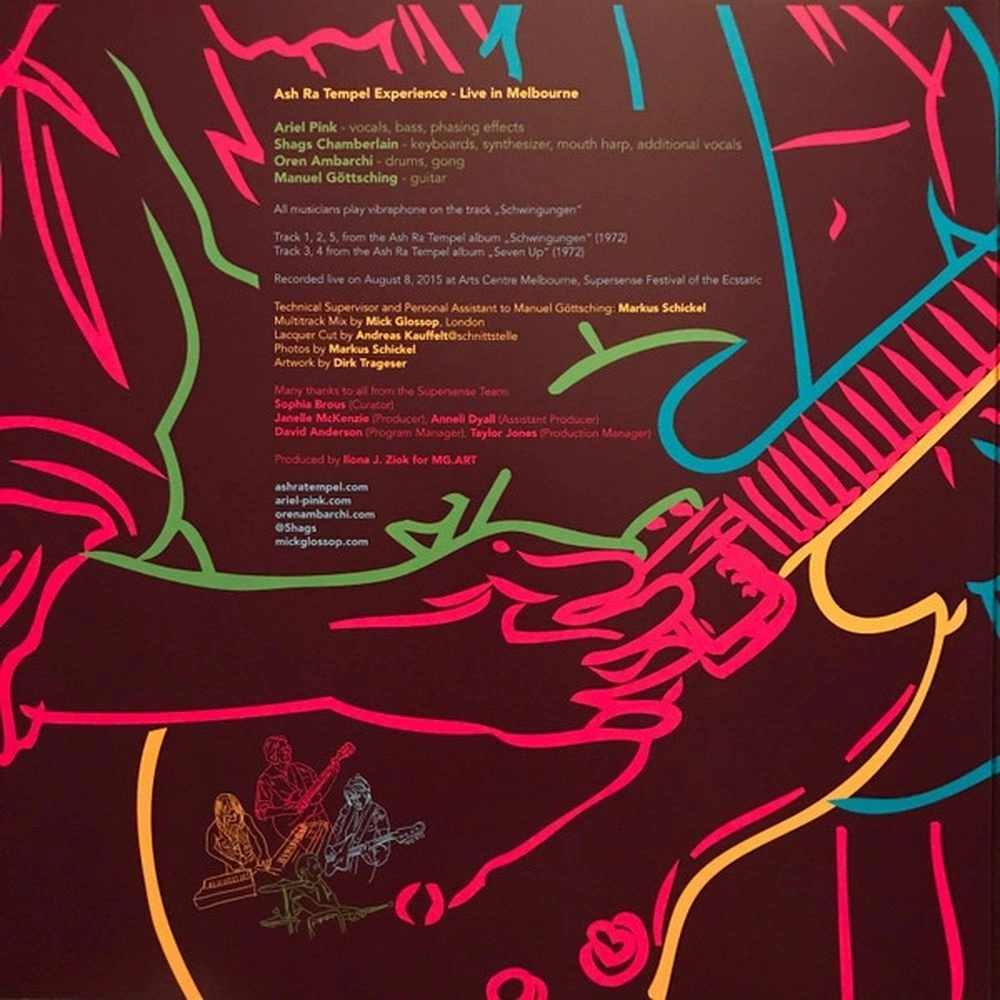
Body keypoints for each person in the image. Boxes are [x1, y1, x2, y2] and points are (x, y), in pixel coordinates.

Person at [325, 774, 391, 879]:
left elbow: (384, 848)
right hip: (341, 872)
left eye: (358, 797)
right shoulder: (346, 810)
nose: (356, 802)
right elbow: (336, 831)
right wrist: (330, 851)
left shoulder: (378, 813)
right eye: (351, 799)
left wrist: (373, 853)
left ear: (366, 794)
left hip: (363, 870)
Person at [205, 792, 273, 874]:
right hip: (235, 868)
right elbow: (210, 848)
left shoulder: (245, 819)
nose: (233, 816)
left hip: (252, 861)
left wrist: (264, 854)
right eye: (228, 815)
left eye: (234, 812)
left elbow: (257, 835)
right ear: (221, 815)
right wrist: (230, 862)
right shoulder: (214, 828)